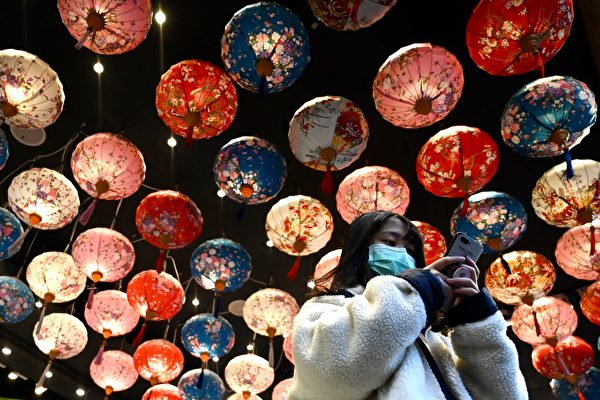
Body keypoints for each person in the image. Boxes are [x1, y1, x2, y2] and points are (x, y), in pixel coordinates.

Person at [288, 211, 528, 400]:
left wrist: (475, 320)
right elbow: (338, 373)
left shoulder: (436, 340)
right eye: (389, 242)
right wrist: (415, 289)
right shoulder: (323, 310)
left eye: (411, 250)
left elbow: (507, 395)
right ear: (360, 248)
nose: (402, 254)